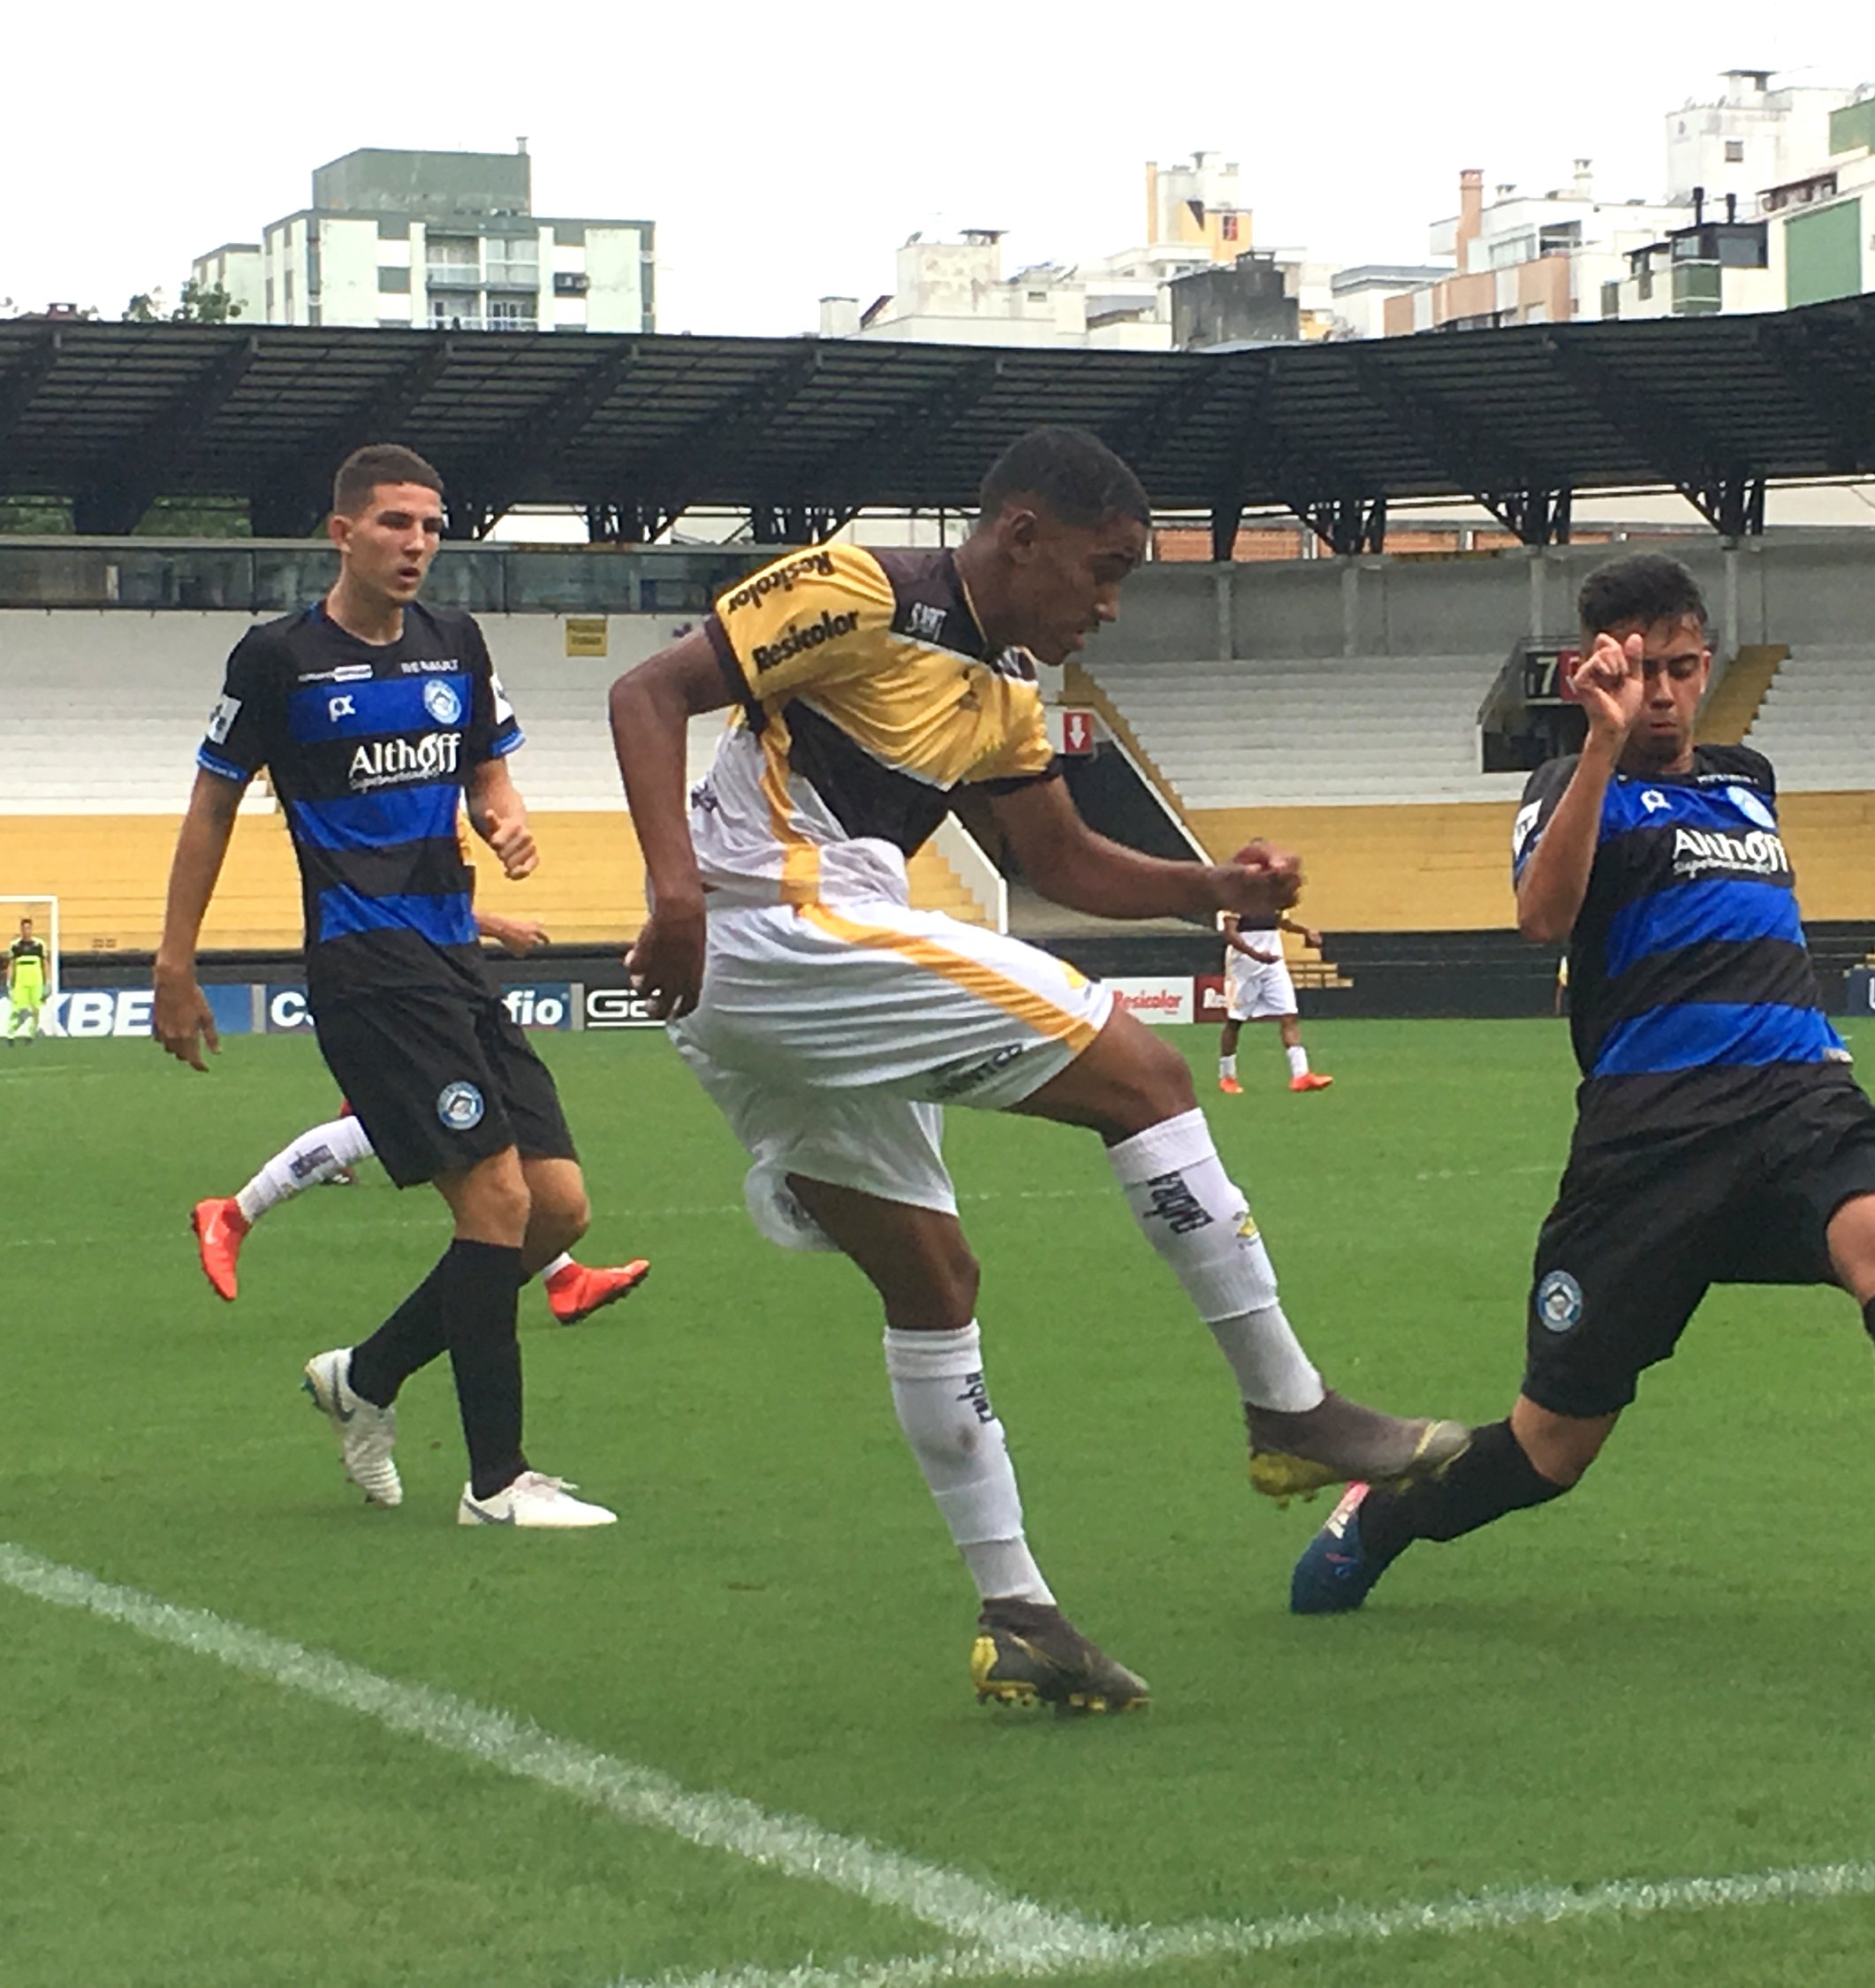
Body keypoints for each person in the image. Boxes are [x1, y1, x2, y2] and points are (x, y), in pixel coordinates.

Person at [607, 426, 1466, 1713]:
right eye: (1102, 569)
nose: (1108, 606)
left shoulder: (1003, 692)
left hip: (784, 969)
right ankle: (1289, 1406)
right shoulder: (860, 589)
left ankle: (1018, 1617)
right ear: (1021, 536)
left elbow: (1061, 861)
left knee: (933, 1278)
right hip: (777, 923)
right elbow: (645, 693)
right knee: (1148, 1079)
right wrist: (674, 890)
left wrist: (1216, 890)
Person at [1289, 553, 1875, 1692]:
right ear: (1595, 668)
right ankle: (1386, 1514)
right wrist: (1597, 746)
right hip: (1650, 1145)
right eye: (1640, 671)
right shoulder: (1567, 784)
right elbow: (1543, 917)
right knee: (1551, 1448)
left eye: (1684, 668)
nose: (1664, 693)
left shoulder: (1748, 778)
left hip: (1799, 1103)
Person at [152, 442, 618, 1529]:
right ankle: (497, 1483)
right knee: (496, 1200)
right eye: (396, 523)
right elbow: (211, 808)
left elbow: (487, 766)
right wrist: (176, 965)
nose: (417, 544)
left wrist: (502, 816)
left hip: (455, 956)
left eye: (431, 526)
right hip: (367, 966)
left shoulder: (458, 643)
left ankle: (364, 1378)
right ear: (343, 533)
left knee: (556, 1210)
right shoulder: (277, 658)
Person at [191, 912, 651, 1320]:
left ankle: (563, 1277)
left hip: (444, 983)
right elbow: (403, 902)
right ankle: (234, 1214)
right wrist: (496, 926)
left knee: (487, 1128)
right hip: (397, 986)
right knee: (422, 1126)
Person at [1217, 909, 1332, 1093]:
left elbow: (1282, 922)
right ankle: (1227, 1077)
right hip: (1244, 967)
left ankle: (1301, 1075)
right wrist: (1256, 955)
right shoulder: (1235, 898)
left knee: (1289, 1015)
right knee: (1235, 1021)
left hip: (1273, 965)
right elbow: (1230, 933)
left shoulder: (1273, 899)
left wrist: (1305, 931)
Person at [5, 917, 45, 1045]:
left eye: (28, 928)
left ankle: (30, 1035)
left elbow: (45, 964)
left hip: (36, 981)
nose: (26, 931)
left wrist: (48, 982)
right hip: (20, 982)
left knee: (35, 1009)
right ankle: (10, 1035)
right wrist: (9, 981)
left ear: (31, 929)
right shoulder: (15, 945)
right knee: (16, 1009)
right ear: (21, 929)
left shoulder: (39, 945)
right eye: (24, 928)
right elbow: (11, 965)